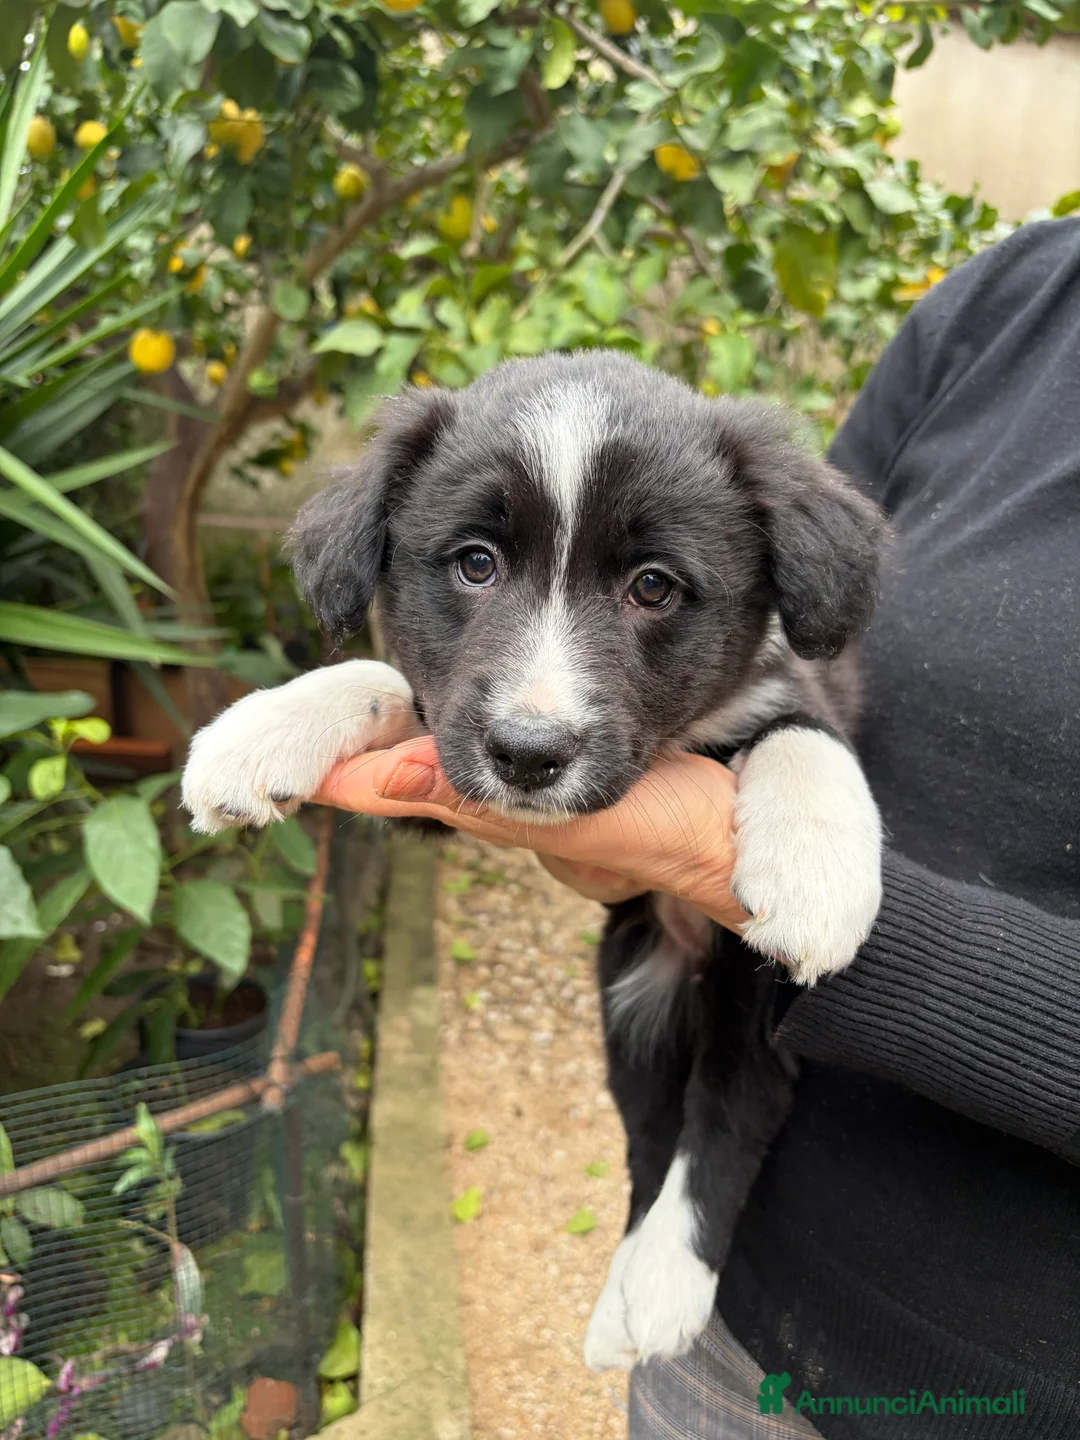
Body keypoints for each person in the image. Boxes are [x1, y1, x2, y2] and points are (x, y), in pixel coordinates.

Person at [314, 218, 1080, 1437]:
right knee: (646, 1030)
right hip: (724, 1351)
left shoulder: (774, 628)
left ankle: (682, 1218)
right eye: (472, 561)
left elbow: (808, 652)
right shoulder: (1015, 297)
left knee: (708, 1031)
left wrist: (740, 856)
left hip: (998, 1389)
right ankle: (654, 1222)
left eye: (650, 588)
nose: (538, 689)